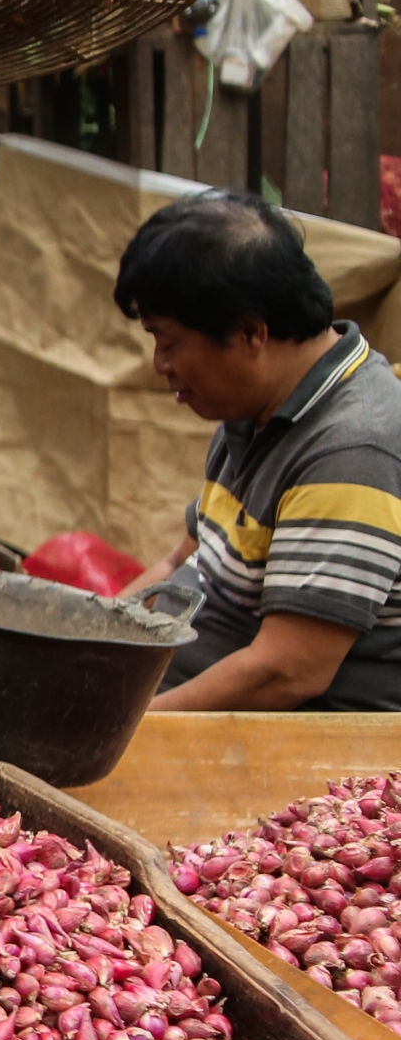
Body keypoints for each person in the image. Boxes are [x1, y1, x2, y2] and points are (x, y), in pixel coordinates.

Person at [114, 188, 401, 711]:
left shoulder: (352, 449)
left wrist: (118, 725)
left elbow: (287, 671)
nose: (159, 363)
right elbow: (180, 561)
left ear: (250, 333)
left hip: (289, 753)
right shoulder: (255, 407)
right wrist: (76, 649)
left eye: (170, 341)